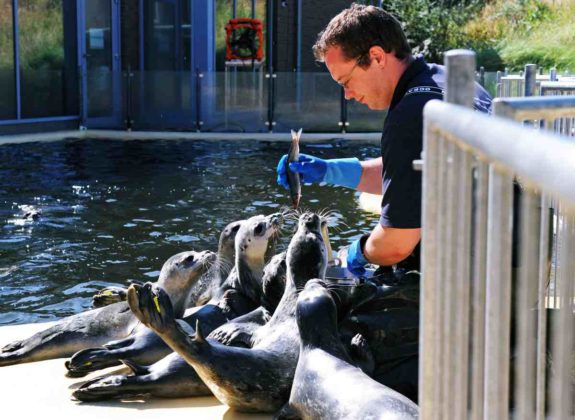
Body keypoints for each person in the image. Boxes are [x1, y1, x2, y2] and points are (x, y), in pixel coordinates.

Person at [277, 3, 491, 276]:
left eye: (345, 82)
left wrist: (353, 255)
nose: (348, 95)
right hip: (517, 257)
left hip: (481, 285)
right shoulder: (445, 79)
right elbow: (410, 177)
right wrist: (329, 170)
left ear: (377, 57)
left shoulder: (411, 116)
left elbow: (396, 243)